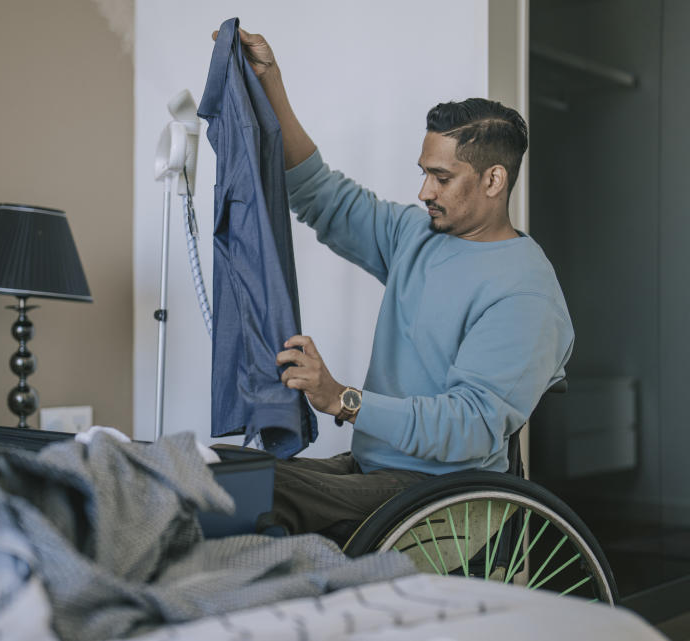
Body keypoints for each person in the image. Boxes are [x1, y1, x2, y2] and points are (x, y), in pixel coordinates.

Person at [214, 28, 574, 547]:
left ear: (494, 181)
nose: (424, 190)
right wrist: (270, 81)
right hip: (372, 468)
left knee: (257, 494)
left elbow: (470, 425)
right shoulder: (417, 234)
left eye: (441, 177)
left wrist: (342, 399)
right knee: (230, 471)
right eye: (423, 173)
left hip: (442, 491)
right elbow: (320, 193)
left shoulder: (526, 293)